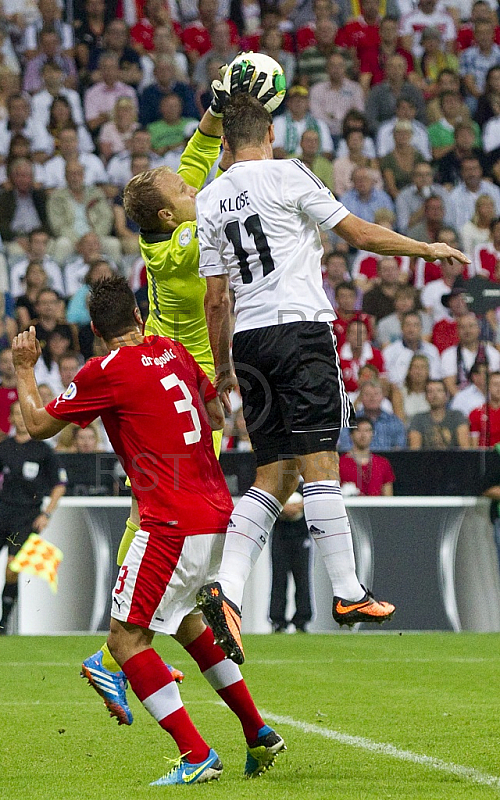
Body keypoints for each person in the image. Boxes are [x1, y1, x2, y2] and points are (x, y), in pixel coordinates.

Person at [195, 93, 468, 663]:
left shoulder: (209, 199)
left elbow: (215, 301)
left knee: (273, 475)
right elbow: (362, 236)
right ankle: (347, 592)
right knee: (320, 462)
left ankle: (228, 591)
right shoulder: (289, 173)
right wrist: (426, 247)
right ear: (268, 134)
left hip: (249, 343)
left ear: (224, 143)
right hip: (301, 332)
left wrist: (222, 370)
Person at [12, 279, 286, 784]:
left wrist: (26, 369)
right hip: (216, 513)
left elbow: (36, 425)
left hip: (170, 524)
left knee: (124, 642)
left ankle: (196, 754)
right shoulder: (175, 350)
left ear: (95, 330)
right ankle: (257, 731)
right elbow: (217, 412)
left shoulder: (105, 371)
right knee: (187, 625)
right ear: (140, 318)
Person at [78, 75, 277, 726]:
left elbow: (194, 170)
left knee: (161, 509)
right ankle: (147, 631)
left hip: (164, 378)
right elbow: (216, 194)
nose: (193, 190)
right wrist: (246, 153)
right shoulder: (182, 248)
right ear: (170, 215)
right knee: (175, 508)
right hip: (185, 391)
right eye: (183, 194)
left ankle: (162, 624)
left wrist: (216, 114)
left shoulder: (168, 224)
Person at [0, 401, 66, 634]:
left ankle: (3, 626)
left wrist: (47, 514)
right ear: (11, 419)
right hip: (2, 511)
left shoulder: (43, 450)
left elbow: (59, 484)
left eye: (25, 415)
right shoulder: (3, 447)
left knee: (12, 570)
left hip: (27, 515)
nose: (21, 419)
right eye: (16, 415)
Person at [269, 488, 314, 634]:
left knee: (302, 578)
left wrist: (300, 505)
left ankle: (302, 619)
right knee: (278, 578)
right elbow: (268, 495)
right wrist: (282, 507)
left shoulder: (307, 476)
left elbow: (315, 497)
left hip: (301, 534)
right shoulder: (278, 476)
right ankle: (277, 620)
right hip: (280, 534)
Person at [339, 417, 395, 496]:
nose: (363, 435)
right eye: (358, 430)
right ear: (351, 434)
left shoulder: (382, 463)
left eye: (367, 431)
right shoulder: (340, 463)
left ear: (373, 434)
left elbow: (388, 497)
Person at [408, 379, 471, 448]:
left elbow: (465, 448)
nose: (435, 395)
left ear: (446, 395)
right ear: (426, 397)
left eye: (439, 391)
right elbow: (414, 450)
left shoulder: (457, 416)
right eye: (430, 391)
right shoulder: (418, 419)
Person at [469, 371, 500, 446]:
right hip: (485, 456)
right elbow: (474, 447)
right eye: (495, 384)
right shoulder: (476, 414)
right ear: (488, 387)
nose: (499, 388)